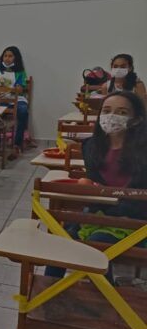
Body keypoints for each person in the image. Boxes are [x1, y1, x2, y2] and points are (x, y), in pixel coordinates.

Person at [45, 91, 147, 284]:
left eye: (122, 112)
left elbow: (140, 199)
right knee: (59, 243)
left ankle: (108, 298)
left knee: (95, 244)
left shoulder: (143, 150)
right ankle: (48, 294)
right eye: (107, 110)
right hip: (98, 213)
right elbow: (94, 186)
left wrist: (108, 203)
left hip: (135, 220)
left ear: (136, 119)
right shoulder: (91, 146)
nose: (111, 116)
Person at [0, 46, 29, 159]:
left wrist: (17, 88)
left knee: (23, 111)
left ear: (15, 58)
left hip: (17, 99)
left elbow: (21, 88)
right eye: (5, 56)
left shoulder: (20, 71)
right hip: (1, 99)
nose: (7, 58)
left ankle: (17, 144)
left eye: (10, 56)